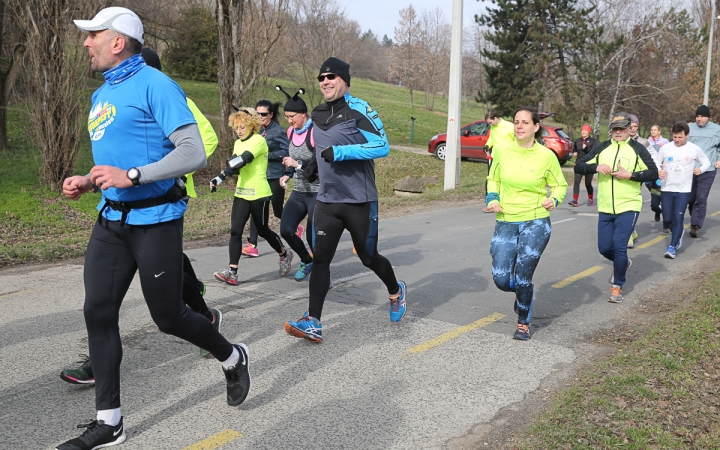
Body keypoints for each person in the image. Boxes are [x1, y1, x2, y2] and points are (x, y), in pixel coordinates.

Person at [58, 8, 250, 449]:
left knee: (168, 317)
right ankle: (110, 423)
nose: (86, 43)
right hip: (111, 221)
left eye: (94, 36)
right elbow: (120, 154)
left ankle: (231, 354)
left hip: (155, 221)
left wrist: (134, 175)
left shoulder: (158, 86)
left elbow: (194, 153)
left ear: (119, 41)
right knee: (98, 314)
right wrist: (91, 180)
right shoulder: (102, 94)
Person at [58, 48, 223, 386]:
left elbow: (203, 143)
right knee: (105, 303)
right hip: (124, 206)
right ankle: (99, 362)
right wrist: (92, 180)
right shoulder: (112, 97)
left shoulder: (168, 95)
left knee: (166, 280)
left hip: (163, 198)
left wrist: (162, 168)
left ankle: (204, 318)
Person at [283, 57, 407, 343]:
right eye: (321, 77)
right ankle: (313, 321)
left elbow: (382, 146)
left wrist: (342, 153)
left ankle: (396, 292)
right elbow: (319, 149)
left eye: (331, 76)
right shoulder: (316, 113)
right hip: (327, 199)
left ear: (344, 81)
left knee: (368, 256)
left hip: (359, 200)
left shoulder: (359, 109)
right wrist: (310, 166)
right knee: (321, 258)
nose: (325, 81)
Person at [485, 107, 567, 340]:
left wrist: (555, 199)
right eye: (516, 122)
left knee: (523, 275)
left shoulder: (546, 156)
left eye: (524, 122)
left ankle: (523, 322)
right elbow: (493, 179)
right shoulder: (502, 151)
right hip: (506, 219)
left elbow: (560, 185)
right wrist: (493, 198)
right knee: (501, 279)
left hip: (536, 221)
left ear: (535, 127)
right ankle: (523, 294)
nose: (519, 126)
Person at [575, 112, 658, 304]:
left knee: (620, 245)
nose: (618, 132)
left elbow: (652, 172)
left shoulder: (638, 149)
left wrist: (631, 175)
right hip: (605, 206)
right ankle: (623, 264)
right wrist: (595, 166)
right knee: (604, 248)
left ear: (630, 129)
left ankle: (617, 286)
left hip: (629, 205)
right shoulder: (602, 148)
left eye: (622, 128)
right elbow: (579, 166)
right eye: (615, 129)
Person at [212, 107, 293, 285]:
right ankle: (232, 272)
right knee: (235, 231)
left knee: (263, 230)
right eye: (236, 127)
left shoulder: (259, 141)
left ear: (251, 126)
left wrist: (223, 174)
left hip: (259, 193)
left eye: (242, 127)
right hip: (241, 192)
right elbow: (233, 164)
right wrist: (220, 177)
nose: (239, 131)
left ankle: (284, 254)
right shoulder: (238, 143)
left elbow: (243, 159)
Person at [276, 85, 318, 281]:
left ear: (303, 114)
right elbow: (291, 160)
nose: (290, 120)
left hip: (318, 191)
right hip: (300, 190)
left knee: (313, 237)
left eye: (293, 116)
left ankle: (320, 273)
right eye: (287, 117)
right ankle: (306, 259)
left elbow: (321, 163)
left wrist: (297, 164)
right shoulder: (291, 132)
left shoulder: (315, 133)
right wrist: (288, 173)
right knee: (286, 229)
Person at [242, 100, 290, 257]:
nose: (260, 116)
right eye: (257, 114)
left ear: (271, 114)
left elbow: (286, 151)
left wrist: (265, 156)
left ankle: (294, 225)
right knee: (257, 211)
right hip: (260, 176)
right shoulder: (253, 130)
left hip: (275, 175)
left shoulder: (277, 131)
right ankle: (252, 245)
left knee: (277, 211)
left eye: (263, 114)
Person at [655, 122, 710, 259]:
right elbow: (656, 161)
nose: (677, 140)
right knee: (667, 219)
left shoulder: (694, 149)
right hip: (667, 187)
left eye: (680, 137)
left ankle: (672, 246)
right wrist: (659, 170)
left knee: (678, 218)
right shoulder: (666, 148)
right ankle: (678, 233)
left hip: (684, 190)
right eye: (675, 137)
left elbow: (706, 162)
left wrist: (700, 169)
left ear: (687, 135)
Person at [687, 105, 720, 238]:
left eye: (702, 116)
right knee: (690, 198)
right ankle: (695, 214)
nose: (699, 119)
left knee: (701, 197)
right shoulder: (689, 128)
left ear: (708, 117)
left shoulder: (717, 129)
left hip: (708, 170)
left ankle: (695, 225)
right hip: (690, 169)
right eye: (697, 116)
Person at [482, 110, 515, 213]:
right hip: (495, 158)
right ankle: (490, 203)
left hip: (508, 158)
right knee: (491, 180)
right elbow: (492, 138)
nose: (489, 125)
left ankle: (507, 202)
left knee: (505, 180)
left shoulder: (509, 126)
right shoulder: (493, 127)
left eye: (490, 122)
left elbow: (517, 140)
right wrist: (487, 145)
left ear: (496, 118)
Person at [626, 113, 651, 248]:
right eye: (630, 126)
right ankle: (630, 230)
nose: (633, 129)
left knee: (632, 204)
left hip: (637, 177)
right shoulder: (620, 140)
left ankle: (629, 234)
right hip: (622, 176)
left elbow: (650, 160)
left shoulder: (643, 142)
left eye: (635, 126)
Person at [569, 124, 597, 207]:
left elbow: (594, 152)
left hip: (589, 165)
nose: (583, 132)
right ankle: (575, 200)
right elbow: (575, 149)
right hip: (579, 164)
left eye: (585, 130)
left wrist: (586, 148)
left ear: (589, 132)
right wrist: (574, 153)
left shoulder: (593, 141)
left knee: (588, 184)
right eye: (582, 130)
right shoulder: (578, 141)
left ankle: (591, 199)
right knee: (576, 182)